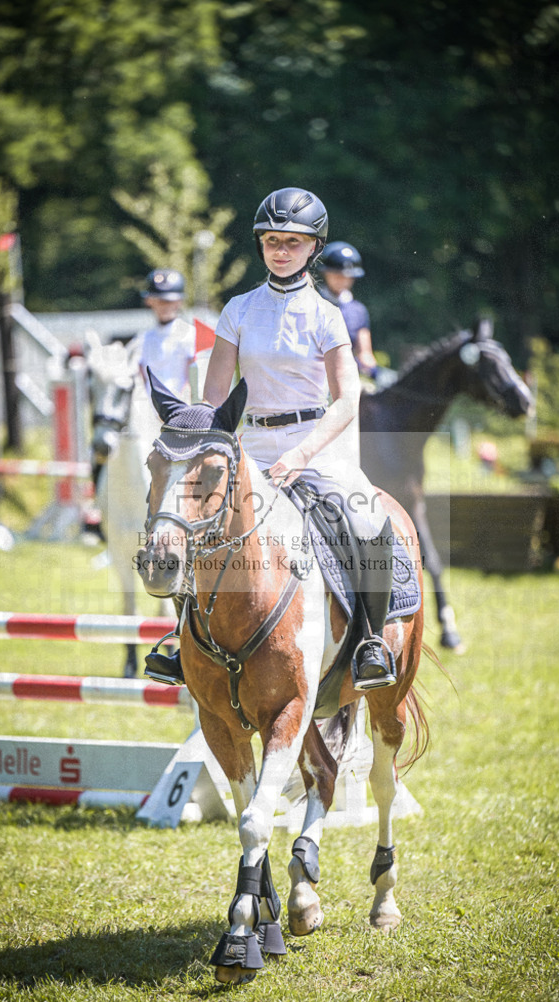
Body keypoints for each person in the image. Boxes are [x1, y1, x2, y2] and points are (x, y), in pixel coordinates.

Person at [145, 187, 397, 691]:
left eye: (293, 242)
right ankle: (181, 637)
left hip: (315, 443)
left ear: (313, 248)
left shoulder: (328, 316)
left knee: (369, 518)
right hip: (250, 445)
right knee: (194, 516)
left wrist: (302, 454)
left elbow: (347, 400)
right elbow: (216, 398)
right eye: (271, 240)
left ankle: (370, 641)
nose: (280, 250)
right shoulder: (238, 309)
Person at [129, 268, 196, 401]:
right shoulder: (143, 339)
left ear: (179, 302)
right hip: (150, 409)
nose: (164, 306)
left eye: (169, 302)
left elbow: (193, 375)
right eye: (159, 301)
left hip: (182, 406)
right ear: (149, 301)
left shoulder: (190, 335)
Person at [318, 241, 379, 378]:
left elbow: (364, 352)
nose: (343, 280)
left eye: (348, 277)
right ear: (326, 273)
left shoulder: (358, 311)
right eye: (338, 275)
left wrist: (370, 369)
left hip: (345, 373)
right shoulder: (313, 302)